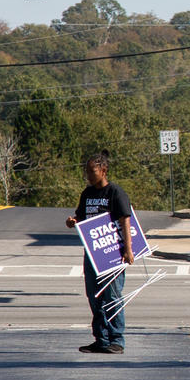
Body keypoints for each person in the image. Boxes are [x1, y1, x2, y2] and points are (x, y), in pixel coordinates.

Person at [65, 151, 135, 354]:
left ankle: (116, 340)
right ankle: (101, 339)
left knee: (112, 296)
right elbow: (81, 218)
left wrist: (128, 250)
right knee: (94, 296)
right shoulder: (87, 194)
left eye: (92, 171)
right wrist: (73, 222)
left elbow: (125, 220)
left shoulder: (115, 192)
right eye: (86, 171)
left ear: (103, 171)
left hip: (112, 253)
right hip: (92, 253)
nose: (88, 174)